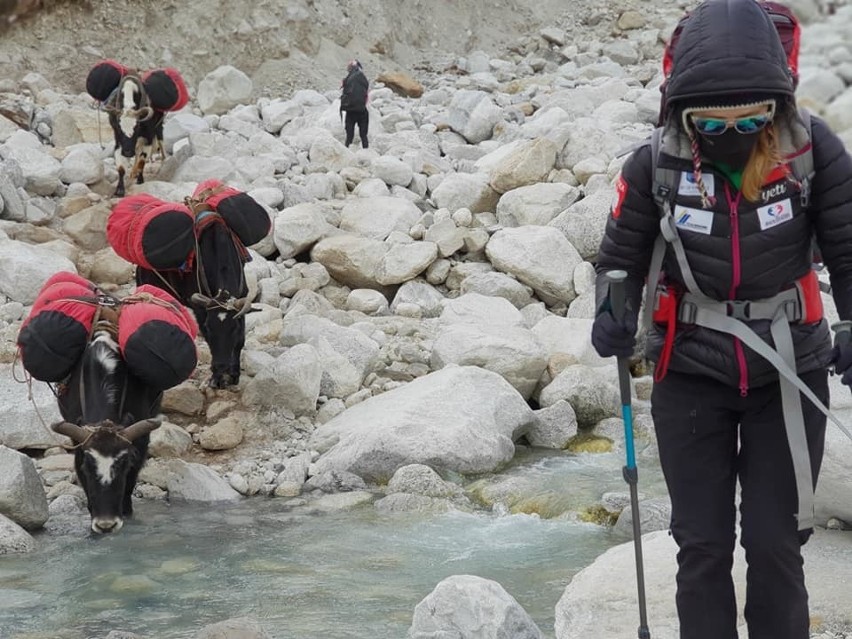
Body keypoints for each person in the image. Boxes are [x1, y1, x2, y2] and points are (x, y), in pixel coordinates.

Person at [590, 1, 852, 638]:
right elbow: (617, 261)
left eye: (750, 118)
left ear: (776, 107)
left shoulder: (811, 152)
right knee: (701, 548)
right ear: (683, 111)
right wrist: (611, 316)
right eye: (708, 120)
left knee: (775, 546)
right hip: (689, 373)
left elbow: (848, 253)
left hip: (789, 372)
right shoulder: (654, 165)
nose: (728, 131)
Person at [340, 59, 369, 149]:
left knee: (349, 136)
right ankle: (366, 151)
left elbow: (344, 92)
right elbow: (367, 95)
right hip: (362, 111)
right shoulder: (363, 78)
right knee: (363, 136)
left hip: (350, 111)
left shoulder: (348, 79)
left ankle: (346, 151)